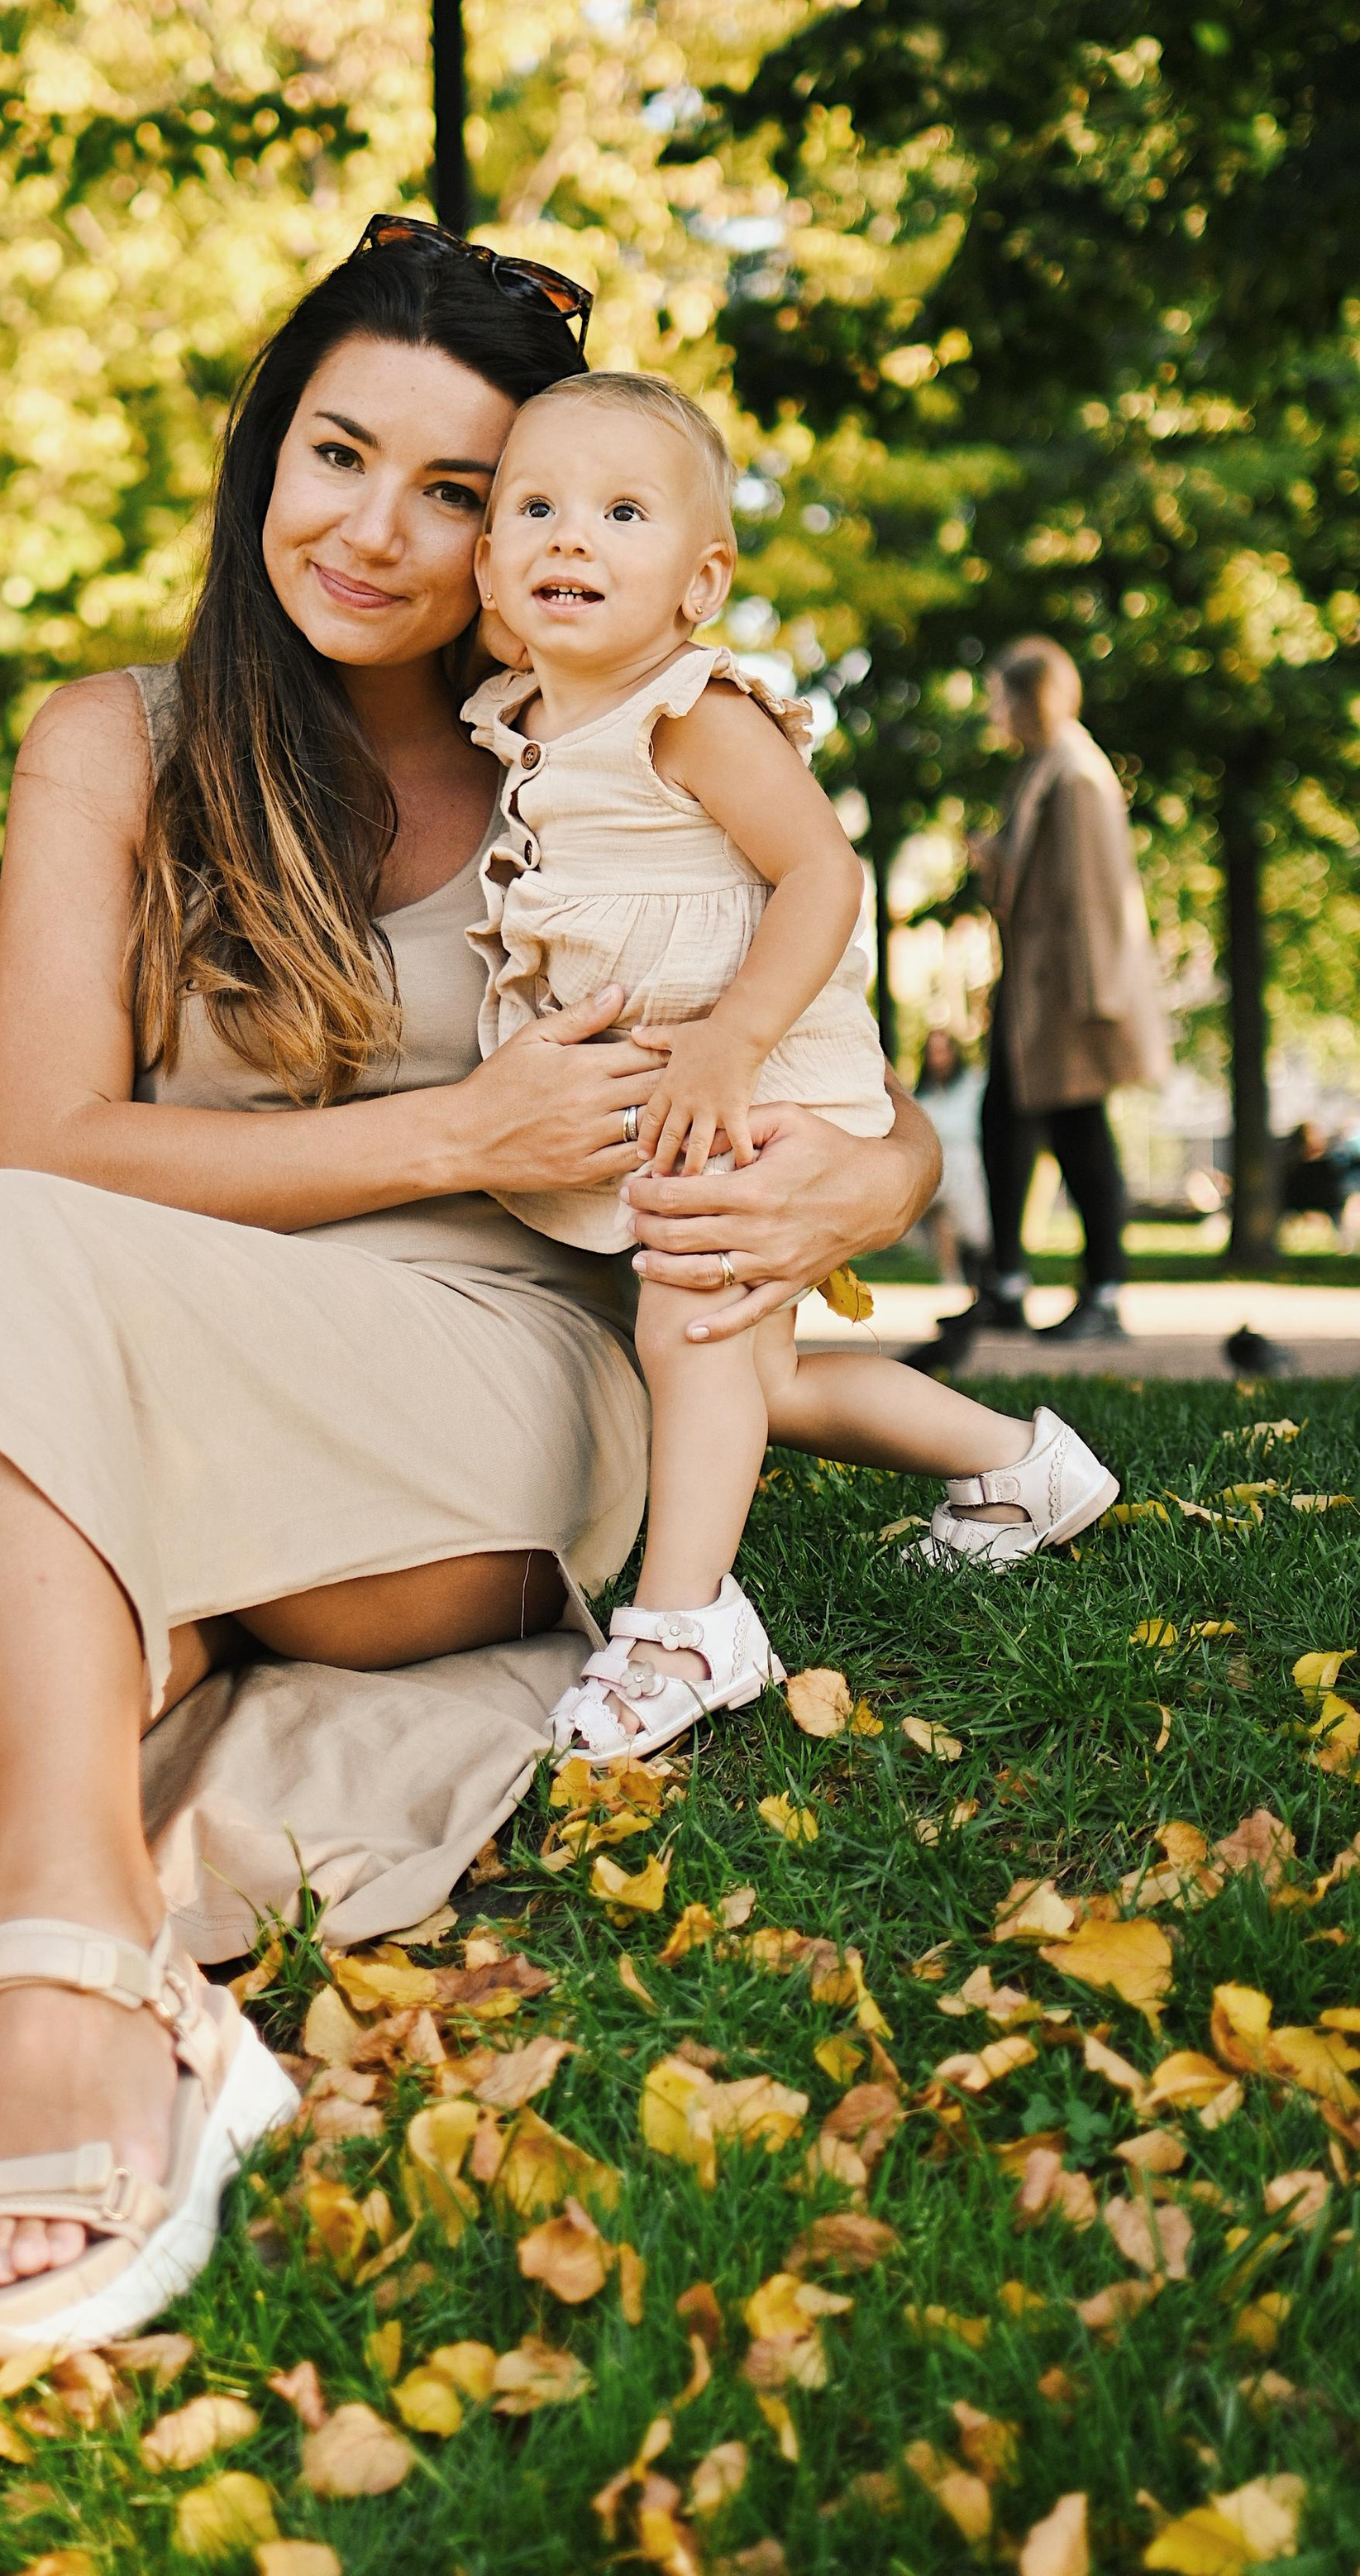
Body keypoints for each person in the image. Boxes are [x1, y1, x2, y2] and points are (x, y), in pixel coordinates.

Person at [0, 223, 944, 2543]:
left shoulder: (610, 741)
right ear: (263, 445)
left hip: (498, 1380)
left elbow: (826, 1038)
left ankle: (80, 2003)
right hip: (129, 1335)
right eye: (342, 455)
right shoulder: (118, 741)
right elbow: (67, 1126)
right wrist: (459, 1124)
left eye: (464, 490)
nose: (386, 535)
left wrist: (869, 1182)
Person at [462, 371, 1115, 1767]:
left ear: (700, 585)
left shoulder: (690, 710)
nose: (570, 539)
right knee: (747, 1366)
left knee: (692, 1329)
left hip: (757, 1070)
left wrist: (737, 1039)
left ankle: (687, 1623)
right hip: (693, 1087)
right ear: (488, 568)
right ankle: (1023, 1466)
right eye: (535, 509)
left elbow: (823, 870)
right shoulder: (528, 714)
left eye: (620, 513)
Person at [929, 637, 1170, 1358]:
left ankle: (1104, 1293)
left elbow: (1097, 896)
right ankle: (1006, 1283)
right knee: (1004, 1123)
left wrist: (1096, 1004)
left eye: (1001, 695)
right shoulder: (1043, 770)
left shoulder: (1075, 775)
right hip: (1034, 989)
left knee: (1078, 1131)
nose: (993, 709)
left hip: (1066, 993)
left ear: (1031, 696)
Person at [914, 1028, 990, 1286]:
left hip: (968, 1160)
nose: (939, 1058)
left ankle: (980, 1268)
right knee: (941, 1214)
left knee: (971, 1222)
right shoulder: (923, 1094)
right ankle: (952, 1276)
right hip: (938, 1162)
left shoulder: (974, 1084)